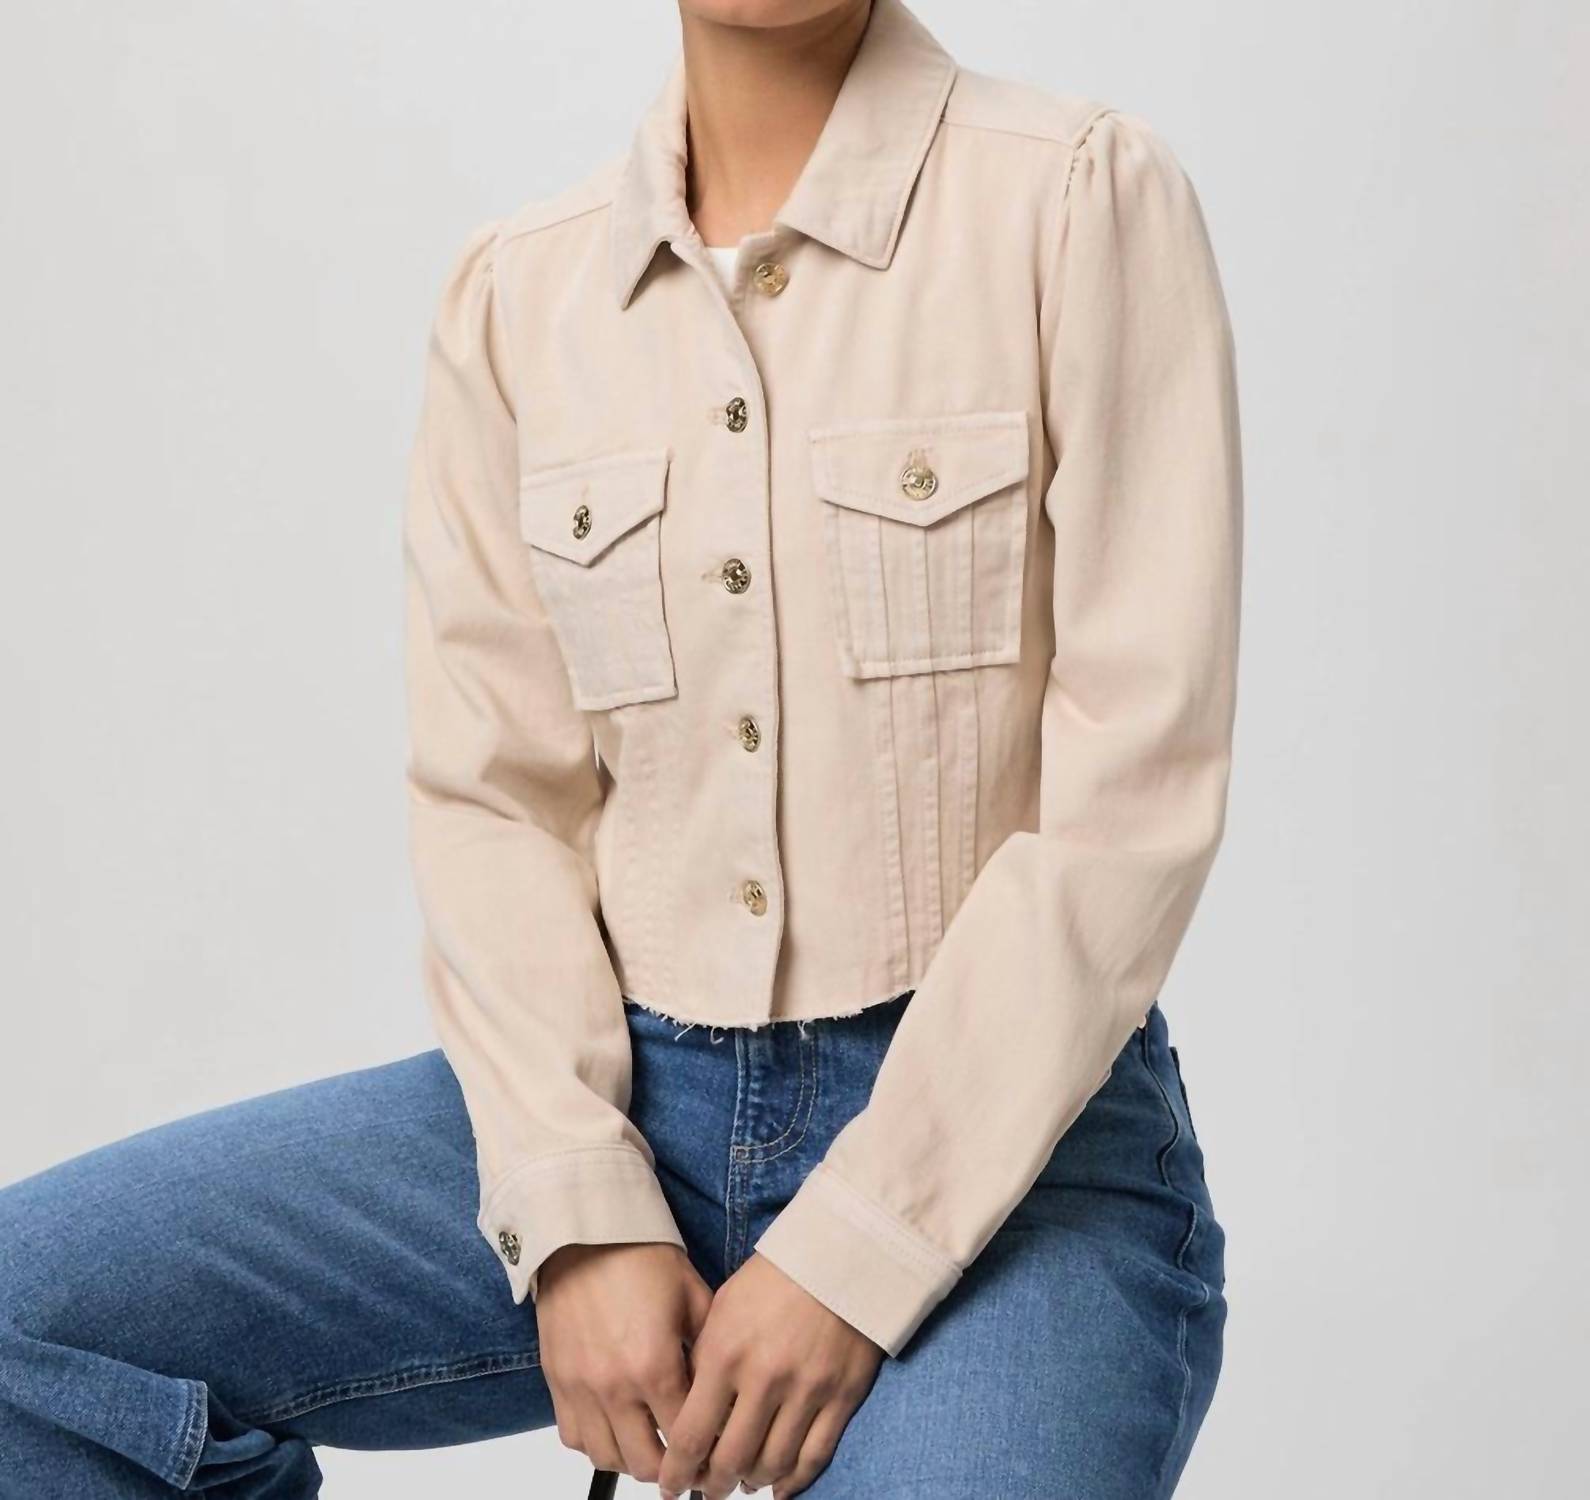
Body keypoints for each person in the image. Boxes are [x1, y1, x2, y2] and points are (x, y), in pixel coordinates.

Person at [0, 0, 1242, 1495]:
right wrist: (575, 1203)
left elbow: (1128, 801)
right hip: (615, 1094)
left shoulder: (1077, 199)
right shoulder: (520, 294)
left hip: (1009, 1155)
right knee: (23, 1324)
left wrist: (861, 1245)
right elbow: (495, 800)